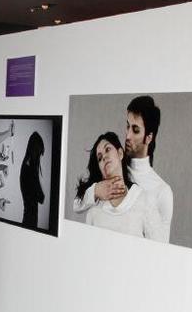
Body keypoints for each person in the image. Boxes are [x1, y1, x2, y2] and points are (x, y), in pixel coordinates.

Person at [73, 95, 173, 242]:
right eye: (127, 126)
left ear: (149, 137)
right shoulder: (113, 166)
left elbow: (162, 247)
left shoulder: (162, 191)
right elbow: (76, 205)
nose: (128, 135)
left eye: (136, 130)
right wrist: (96, 190)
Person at [76, 132, 162, 238]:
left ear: (120, 153)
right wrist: (96, 190)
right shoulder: (94, 210)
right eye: (99, 158)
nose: (104, 157)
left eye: (107, 149)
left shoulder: (144, 199)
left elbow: (159, 247)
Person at [19, 132, 45, 228]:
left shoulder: (26, 167)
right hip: (30, 222)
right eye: (39, 153)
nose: (39, 158)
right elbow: (41, 198)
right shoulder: (29, 170)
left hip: (29, 220)